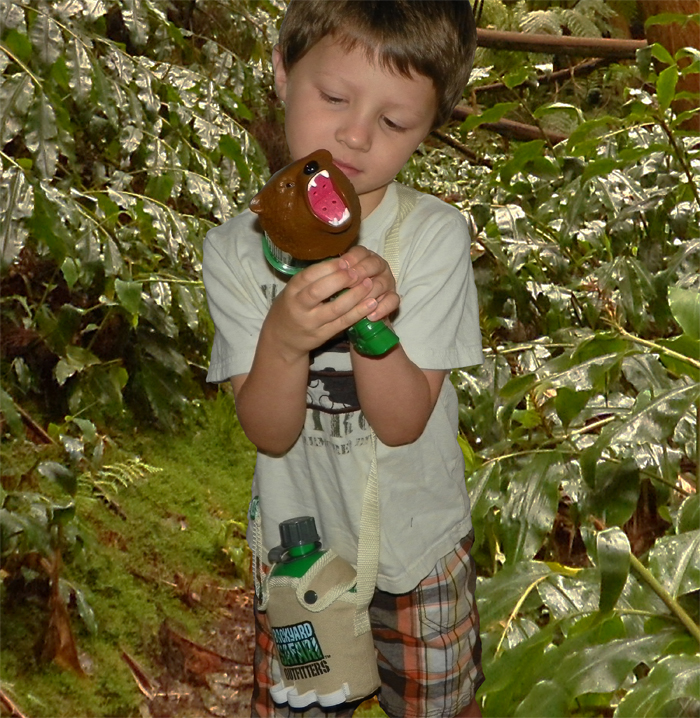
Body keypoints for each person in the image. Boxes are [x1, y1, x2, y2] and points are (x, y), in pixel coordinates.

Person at [203, 1, 484, 716]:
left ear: (430, 128)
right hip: (300, 553)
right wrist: (282, 339)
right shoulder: (236, 250)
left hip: (417, 551)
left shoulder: (432, 238)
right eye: (334, 99)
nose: (356, 136)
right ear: (281, 71)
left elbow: (402, 421)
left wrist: (371, 323)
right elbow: (269, 432)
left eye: (395, 124)